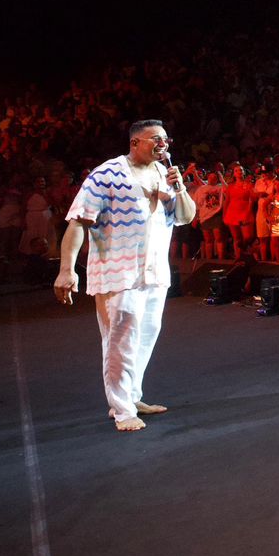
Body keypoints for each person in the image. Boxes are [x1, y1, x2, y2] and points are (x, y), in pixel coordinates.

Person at [54, 120, 196, 433]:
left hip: (153, 273)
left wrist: (180, 186)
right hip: (118, 274)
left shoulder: (163, 173)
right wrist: (66, 270)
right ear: (135, 143)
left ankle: (132, 396)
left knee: (145, 337)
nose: (163, 145)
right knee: (120, 342)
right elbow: (78, 223)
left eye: (165, 139)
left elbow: (185, 217)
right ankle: (121, 410)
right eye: (155, 140)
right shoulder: (107, 174)